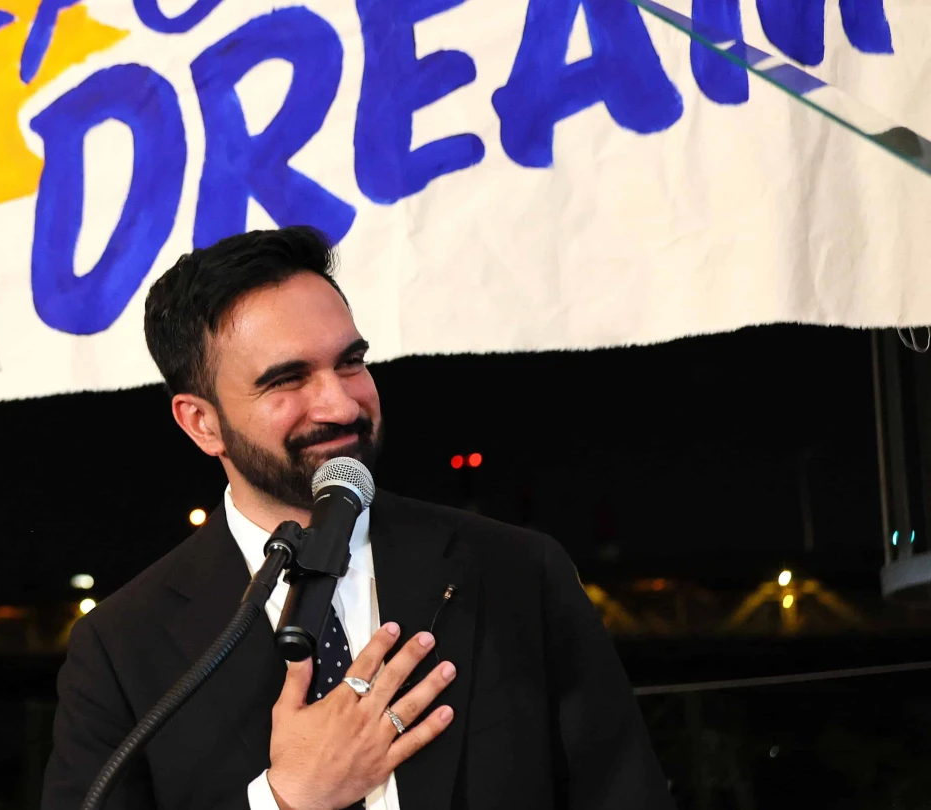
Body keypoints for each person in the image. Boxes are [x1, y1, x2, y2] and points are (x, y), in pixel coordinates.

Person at [41, 227, 673, 810]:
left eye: (350, 362)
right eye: (288, 379)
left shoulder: (518, 571)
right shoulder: (119, 646)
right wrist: (286, 799)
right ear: (202, 422)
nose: (342, 404)